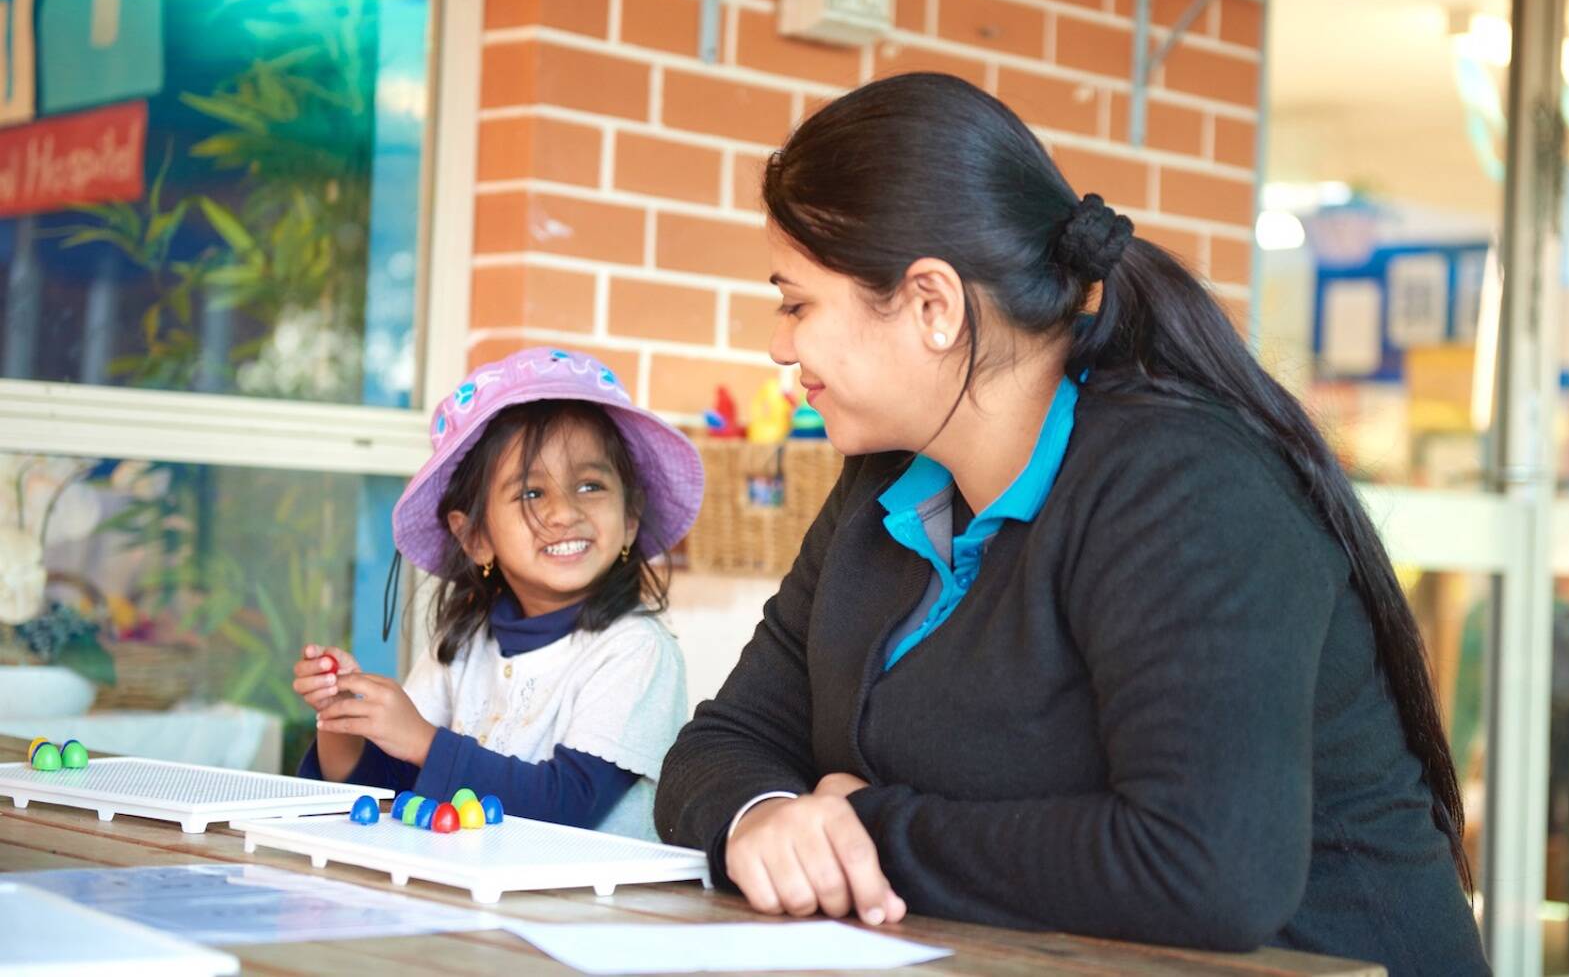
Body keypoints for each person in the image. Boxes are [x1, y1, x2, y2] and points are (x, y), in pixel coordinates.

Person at [654, 73, 1489, 974]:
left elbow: (1206, 869)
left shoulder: (1185, 489)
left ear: (933, 306)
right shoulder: (884, 488)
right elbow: (724, 743)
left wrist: (864, 827)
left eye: (796, 303)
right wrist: (765, 816)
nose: (781, 346)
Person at [296, 346, 702, 841]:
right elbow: (386, 785)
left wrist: (422, 741)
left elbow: (568, 803)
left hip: (589, 910)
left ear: (631, 517)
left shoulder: (636, 651)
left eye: (591, 485)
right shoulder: (461, 646)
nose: (563, 513)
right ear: (475, 537)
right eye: (532, 493)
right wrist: (344, 719)